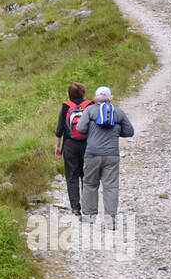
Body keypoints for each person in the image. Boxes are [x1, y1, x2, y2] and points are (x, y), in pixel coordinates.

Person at [73, 86, 134, 228]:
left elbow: (80, 129)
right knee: (111, 187)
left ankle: (89, 218)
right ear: (110, 97)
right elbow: (130, 131)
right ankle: (110, 221)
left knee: (89, 184)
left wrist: (92, 131)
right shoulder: (118, 112)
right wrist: (116, 132)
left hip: (92, 154)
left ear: (96, 97)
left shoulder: (89, 110)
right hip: (112, 155)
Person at [54, 82, 93, 216]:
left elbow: (60, 129)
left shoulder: (66, 106)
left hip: (70, 144)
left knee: (72, 176)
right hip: (88, 144)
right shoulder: (90, 105)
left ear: (69, 94)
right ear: (83, 92)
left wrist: (58, 146)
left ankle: (75, 208)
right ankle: (88, 207)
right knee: (87, 176)